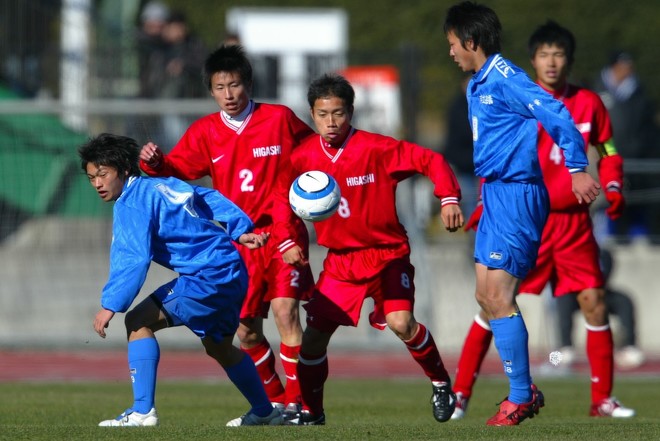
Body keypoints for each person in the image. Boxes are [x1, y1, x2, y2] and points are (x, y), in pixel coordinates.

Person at [450, 18, 635, 422]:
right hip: (506, 201)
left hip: (560, 217)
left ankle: (591, 398)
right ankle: (461, 393)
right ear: (534, 59)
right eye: (544, 54)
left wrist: (601, 178)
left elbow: (607, 146)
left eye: (558, 54)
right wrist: (484, 200)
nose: (551, 62)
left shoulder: (573, 99)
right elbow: (496, 149)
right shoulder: (483, 85)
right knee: (488, 300)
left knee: (591, 303)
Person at [271, 73, 464, 425]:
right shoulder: (301, 158)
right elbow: (279, 199)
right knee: (312, 341)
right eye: (323, 114)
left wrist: (448, 197)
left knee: (401, 322)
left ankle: (440, 383)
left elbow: (431, 160)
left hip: (387, 255)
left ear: (351, 112)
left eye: (339, 113)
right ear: (312, 115)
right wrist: (286, 240)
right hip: (342, 263)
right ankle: (312, 413)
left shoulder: (376, 148)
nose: (331, 122)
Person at [139, 45, 316, 421]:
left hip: (284, 233)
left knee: (286, 311)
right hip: (241, 242)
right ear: (212, 90)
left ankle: (302, 404)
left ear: (248, 84)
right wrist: (156, 163)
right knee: (246, 332)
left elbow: (313, 153)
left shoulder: (279, 118)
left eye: (235, 85)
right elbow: (179, 168)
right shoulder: (205, 132)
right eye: (220, 87)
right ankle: (277, 404)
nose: (229, 94)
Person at [79, 133, 281, 427]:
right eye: (91, 177)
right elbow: (206, 196)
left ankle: (142, 411)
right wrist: (239, 229)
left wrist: (111, 304)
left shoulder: (130, 203)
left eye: (102, 174)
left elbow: (134, 257)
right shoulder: (162, 184)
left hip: (207, 276)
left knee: (137, 321)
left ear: (123, 171)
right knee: (219, 347)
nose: (97, 183)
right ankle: (265, 412)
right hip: (232, 270)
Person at [593, 51, 660, 242]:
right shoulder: (596, 91)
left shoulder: (639, 94)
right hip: (603, 161)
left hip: (634, 160)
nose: (626, 70)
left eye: (629, 66)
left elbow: (648, 130)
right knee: (605, 206)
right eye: (622, 66)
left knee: (637, 206)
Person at [556, 248, 645, 370]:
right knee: (564, 299)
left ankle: (629, 347)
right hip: (577, 294)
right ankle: (565, 348)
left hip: (600, 293)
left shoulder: (603, 253)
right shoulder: (572, 252)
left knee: (624, 300)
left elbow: (606, 274)